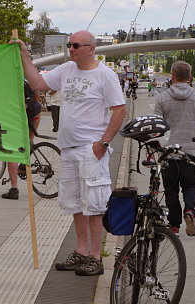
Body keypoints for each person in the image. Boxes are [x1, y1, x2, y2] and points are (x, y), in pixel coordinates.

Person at [12, 30, 126, 276]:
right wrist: (24, 56)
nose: (71, 49)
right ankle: (81, 250)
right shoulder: (66, 70)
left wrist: (103, 143)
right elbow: (38, 83)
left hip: (91, 149)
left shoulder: (105, 75)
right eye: (69, 45)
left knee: (94, 205)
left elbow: (119, 110)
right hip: (69, 148)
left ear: (90, 48)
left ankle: (96, 256)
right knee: (75, 203)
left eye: (75, 45)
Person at [154, 61, 195, 236]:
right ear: (190, 77)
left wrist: (158, 147)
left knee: (170, 190)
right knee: (190, 187)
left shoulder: (162, 98)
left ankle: (174, 226)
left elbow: (157, 126)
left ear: (172, 75)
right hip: (190, 152)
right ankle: (190, 211)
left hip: (169, 153)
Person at [2, 81, 41, 200]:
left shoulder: (11, 81)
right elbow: (36, 90)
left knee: (11, 153)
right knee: (29, 142)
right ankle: (24, 163)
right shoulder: (26, 79)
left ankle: (14, 189)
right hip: (35, 113)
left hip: (22, 115)